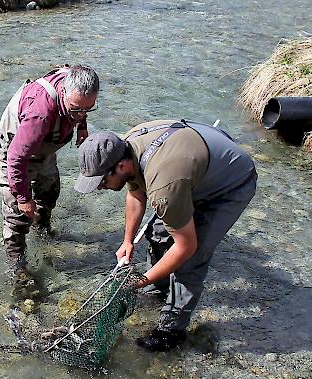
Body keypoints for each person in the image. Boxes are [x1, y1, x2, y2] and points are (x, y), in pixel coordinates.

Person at [74, 119, 257, 351]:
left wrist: (142, 280)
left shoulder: (164, 187)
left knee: (191, 260)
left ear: (120, 166)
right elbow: (136, 193)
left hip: (231, 185)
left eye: (100, 181)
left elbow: (186, 247)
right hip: (193, 166)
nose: (99, 187)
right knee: (158, 232)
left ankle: (171, 331)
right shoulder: (127, 146)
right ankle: (159, 287)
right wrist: (127, 241)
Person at [0, 65, 99, 273]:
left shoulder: (77, 87)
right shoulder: (39, 114)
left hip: (43, 147)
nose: (81, 114)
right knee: (17, 216)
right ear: (64, 93)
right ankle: (18, 269)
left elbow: (81, 106)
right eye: (76, 109)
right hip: (15, 150)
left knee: (49, 193)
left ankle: (42, 232)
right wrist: (23, 198)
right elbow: (16, 158)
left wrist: (82, 125)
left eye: (88, 108)